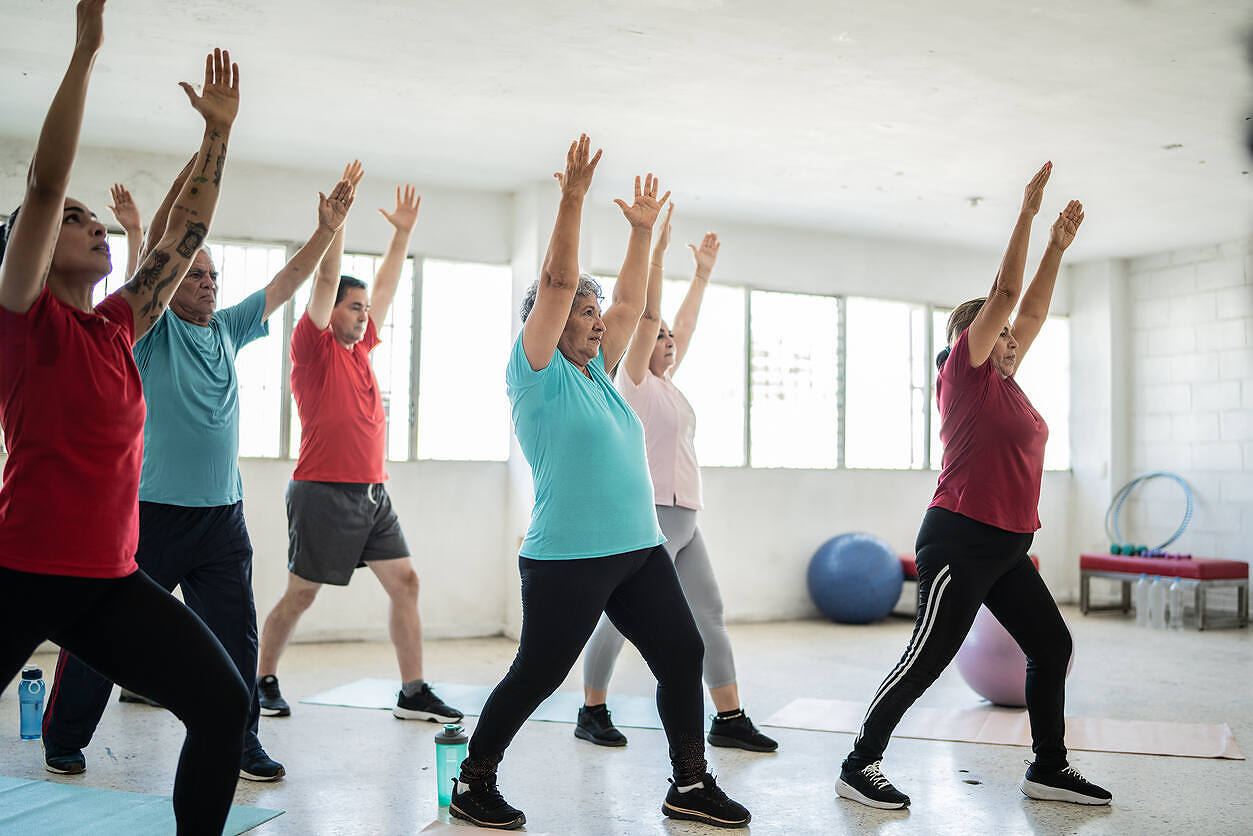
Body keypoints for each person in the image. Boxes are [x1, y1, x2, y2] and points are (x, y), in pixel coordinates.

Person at [448, 134, 751, 831]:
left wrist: (642, 234)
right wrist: (573, 199)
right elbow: (557, 286)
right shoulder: (535, 372)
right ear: (547, 325)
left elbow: (635, 308)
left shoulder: (598, 373)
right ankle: (474, 780)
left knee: (681, 653)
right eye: (583, 316)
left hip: (638, 548)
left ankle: (689, 784)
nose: (596, 323)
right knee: (538, 674)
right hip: (567, 557)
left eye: (594, 315)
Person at [0, 4, 249, 830]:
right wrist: (83, 54)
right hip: (20, 571)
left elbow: (187, 232)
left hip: (108, 580)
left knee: (221, 706)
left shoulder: (117, 326)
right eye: (76, 221)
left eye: (94, 217)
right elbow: (42, 183)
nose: (91, 224)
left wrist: (217, 134)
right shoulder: (22, 315)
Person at [40, 168, 357, 783]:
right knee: (105, 633)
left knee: (236, 640)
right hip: (153, 514)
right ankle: (66, 735)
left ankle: (243, 745)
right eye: (197, 273)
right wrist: (201, 158)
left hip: (221, 519)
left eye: (215, 275)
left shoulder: (230, 329)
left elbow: (285, 282)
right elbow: (163, 240)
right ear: (173, 281)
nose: (208, 283)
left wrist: (325, 232)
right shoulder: (150, 332)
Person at [835, 163, 1110, 809]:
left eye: (1012, 336)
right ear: (969, 340)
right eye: (997, 331)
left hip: (1009, 543)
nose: (1011, 338)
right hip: (960, 537)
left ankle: (1048, 768)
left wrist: (1058, 248)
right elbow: (1008, 292)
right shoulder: (964, 374)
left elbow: (1032, 305)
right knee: (925, 659)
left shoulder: (1009, 387)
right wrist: (1027, 214)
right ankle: (858, 764)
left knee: (1051, 644)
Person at [255, 173, 462, 725]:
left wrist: (401, 237)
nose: (363, 313)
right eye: (353, 307)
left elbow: (388, 292)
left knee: (406, 582)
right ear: (333, 312)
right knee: (301, 594)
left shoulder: (361, 348)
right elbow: (325, 279)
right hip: (323, 491)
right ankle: (262, 680)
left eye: (363, 308)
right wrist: (336, 227)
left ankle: (412, 691)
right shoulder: (313, 349)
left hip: (373, 494)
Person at [575, 209, 777, 754]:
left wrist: (704, 275)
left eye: (670, 338)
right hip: (652, 514)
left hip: (686, 516)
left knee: (708, 611)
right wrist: (657, 256)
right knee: (620, 621)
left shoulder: (669, 386)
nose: (668, 339)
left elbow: (678, 326)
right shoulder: (633, 382)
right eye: (658, 335)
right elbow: (651, 318)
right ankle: (591, 708)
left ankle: (729, 717)